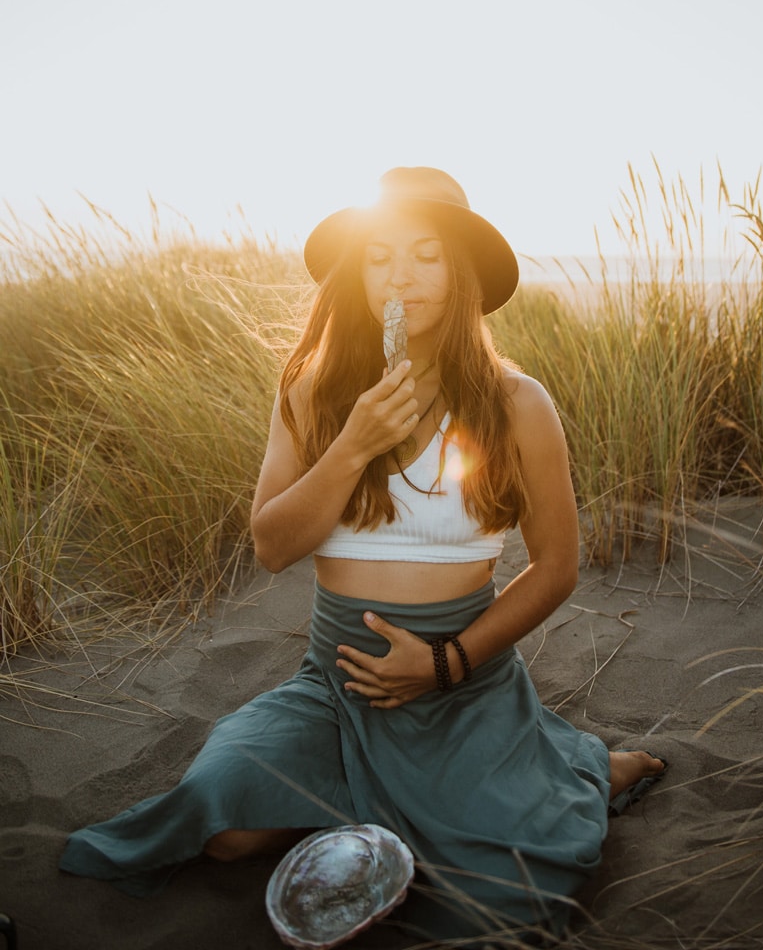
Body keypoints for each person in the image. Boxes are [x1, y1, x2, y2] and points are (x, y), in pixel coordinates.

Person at [60, 167, 666, 943]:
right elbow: (273, 546)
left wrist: (444, 663)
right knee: (224, 831)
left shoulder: (519, 404)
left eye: (425, 256)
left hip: (462, 686)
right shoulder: (310, 392)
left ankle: (580, 766)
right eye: (380, 257)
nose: (402, 277)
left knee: (518, 886)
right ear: (358, 273)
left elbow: (556, 568)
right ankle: (414, 801)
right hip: (335, 683)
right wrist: (353, 444)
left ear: (460, 273)